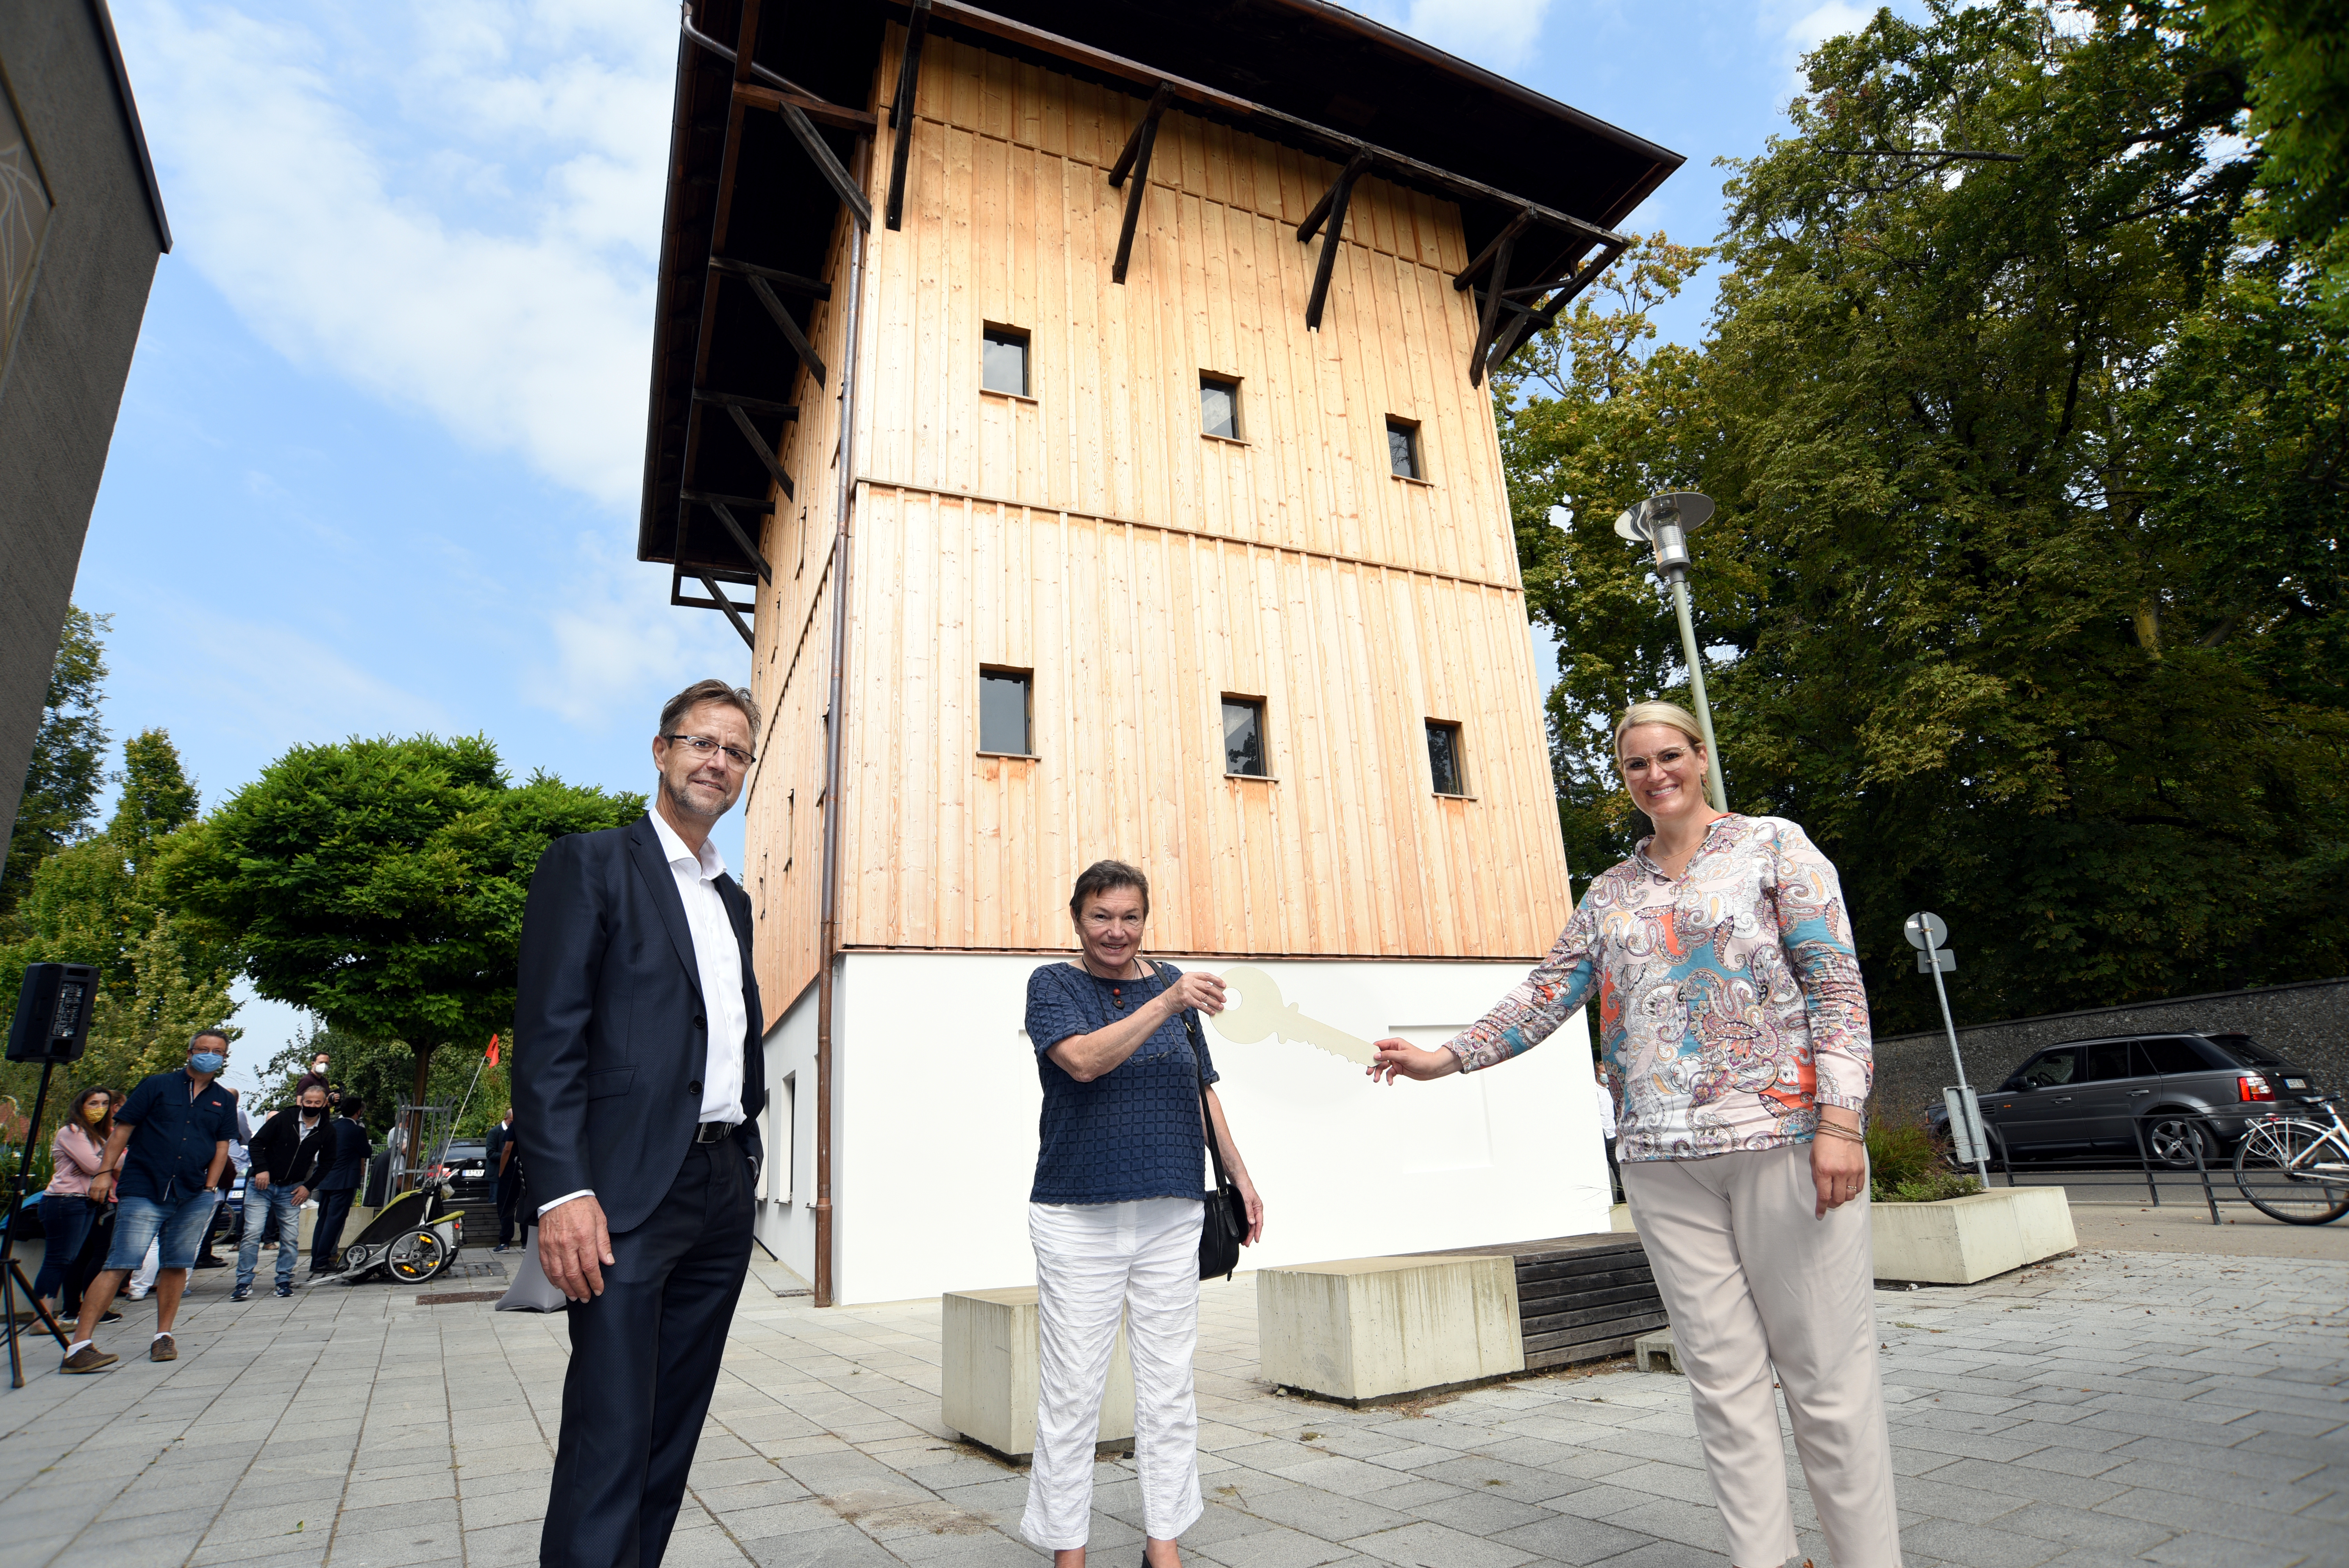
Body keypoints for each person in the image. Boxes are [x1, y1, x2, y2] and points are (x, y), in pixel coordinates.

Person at [1369, 700, 1896, 1568]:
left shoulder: (1773, 844)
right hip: (1660, 1160)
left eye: (1668, 756)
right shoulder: (1610, 891)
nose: (1655, 775)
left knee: (1827, 1383)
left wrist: (1841, 1120)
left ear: (1698, 756)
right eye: (1635, 765)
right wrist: (1446, 1058)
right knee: (1722, 1387)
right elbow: (1546, 993)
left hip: (1784, 1138)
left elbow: (1835, 985)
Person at [514, 679, 768, 1568]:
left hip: (720, 1185)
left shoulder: (731, 898)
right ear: (660, 752)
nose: (718, 762)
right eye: (702, 743)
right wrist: (563, 1189)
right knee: (611, 1428)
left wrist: (747, 1153)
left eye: (735, 751)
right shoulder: (588, 863)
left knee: (670, 1430)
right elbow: (548, 1044)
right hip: (623, 1193)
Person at [1021, 860, 1265, 1568]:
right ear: (1077, 919)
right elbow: (1085, 1062)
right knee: (1073, 1392)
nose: (1116, 931)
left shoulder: (1171, 981)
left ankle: (1164, 1546)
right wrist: (1166, 1001)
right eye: (1102, 916)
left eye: (1130, 917)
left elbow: (1201, 1088)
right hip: (1077, 1214)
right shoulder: (1055, 985)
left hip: (1171, 1209)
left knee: (1169, 1388)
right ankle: (1071, 1551)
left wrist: (1242, 1178)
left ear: (1144, 918)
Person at [62, 1030, 241, 1373]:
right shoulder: (157, 1085)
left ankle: (163, 1336)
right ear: (189, 1053)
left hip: (193, 1193)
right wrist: (103, 1173)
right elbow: (122, 1131)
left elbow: (222, 1147)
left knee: (176, 1265)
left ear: (224, 1058)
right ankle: (80, 1346)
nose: (210, 1055)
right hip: (145, 1187)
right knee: (120, 1262)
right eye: (203, 1049)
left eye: (217, 1051)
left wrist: (210, 1187)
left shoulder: (223, 1100)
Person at [236, 1081, 332, 1300]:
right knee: (252, 1234)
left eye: (318, 1103)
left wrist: (308, 1187)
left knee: (290, 1237)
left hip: (292, 1189)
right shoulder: (284, 1119)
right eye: (309, 1102)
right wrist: (261, 1169)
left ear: (324, 1104)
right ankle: (243, 1281)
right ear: (302, 1102)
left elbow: (328, 1162)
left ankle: (284, 1278)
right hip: (263, 1186)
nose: (312, 1106)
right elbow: (256, 1143)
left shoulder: (326, 1130)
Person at [34, 1089, 113, 1322]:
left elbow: (117, 1161)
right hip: (64, 1202)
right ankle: (41, 1319)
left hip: (85, 1202)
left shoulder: (97, 1136)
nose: (100, 1108)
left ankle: (48, 1317)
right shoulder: (71, 1132)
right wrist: (112, 1159)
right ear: (80, 1105)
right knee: (57, 1260)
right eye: (93, 1103)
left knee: (68, 1260)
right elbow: (94, 1166)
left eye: (105, 1103)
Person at [310, 1094, 371, 1275]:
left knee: (323, 1220)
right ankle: (323, 1260)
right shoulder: (357, 1131)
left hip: (326, 1179)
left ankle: (316, 1258)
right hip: (344, 1181)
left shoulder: (331, 1126)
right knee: (334, 1221)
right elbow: (367, 1152)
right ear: (358, 1112)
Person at [486, 1108, 521, 1251]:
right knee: (509, 1205)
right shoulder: (496, 1132)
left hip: (510, 1172)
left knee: (506, 1206)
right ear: (507, 1119)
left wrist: (503, 1171)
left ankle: (505, 1242)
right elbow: (493, 1153)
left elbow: (507, 1149)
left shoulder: (515, 1127)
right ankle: (516, 1242)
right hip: (512, 1171)